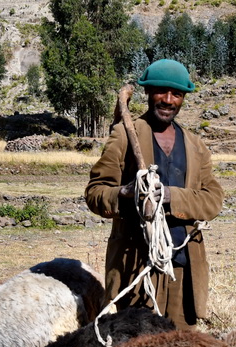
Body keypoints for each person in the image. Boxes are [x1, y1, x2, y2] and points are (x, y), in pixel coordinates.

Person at [85, 59, 224, 329]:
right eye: (161, 92)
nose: (168, 100)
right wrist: (126, 192)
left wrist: (171, 196)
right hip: (137, 268)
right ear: (148, 93)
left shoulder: (196, 146)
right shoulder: (125, 135)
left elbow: (213, 200)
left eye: (176, 94)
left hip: (184, 267)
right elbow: (95, 193)